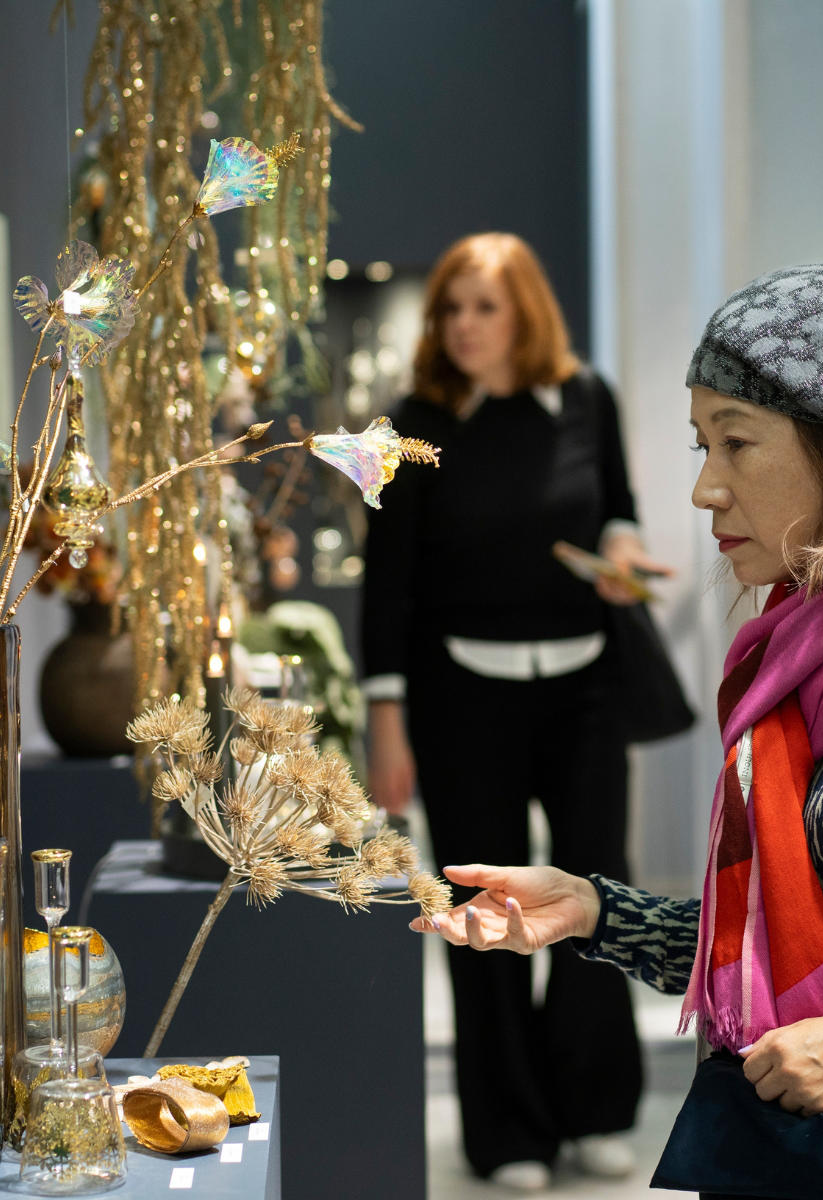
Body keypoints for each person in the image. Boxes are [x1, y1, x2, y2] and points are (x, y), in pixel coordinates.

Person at [410, 263, 823, 1199]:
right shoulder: (798, 651)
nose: (705, 490)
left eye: (737, 444)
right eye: (699, 447)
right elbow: (785, 932)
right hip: (812, 1144)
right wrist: (593, 911)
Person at [361, 232, 672, 1190]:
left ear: (525, 312)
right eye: (450, 309)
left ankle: (594, 1107)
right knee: (482, 905)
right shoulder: (407, 424)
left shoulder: (587, 398)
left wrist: (623, 556)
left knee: (593, 892)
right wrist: (386, 719)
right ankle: (506, 1132)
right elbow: (387, 587)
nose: (462, 326)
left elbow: (615, 504)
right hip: (461, 695)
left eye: (483, 308)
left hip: (583, 684)